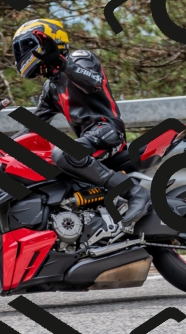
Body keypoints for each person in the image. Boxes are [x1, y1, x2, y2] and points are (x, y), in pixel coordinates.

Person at [11, 18, 152, 227]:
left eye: (27, 46)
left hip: (107, 131)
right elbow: (33, 127)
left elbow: (93, 83)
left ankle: (134, 192)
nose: (23, 52)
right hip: (89, 140)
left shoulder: (81, 58)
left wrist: (63, 64)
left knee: (63, 153)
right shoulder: (51, 87)